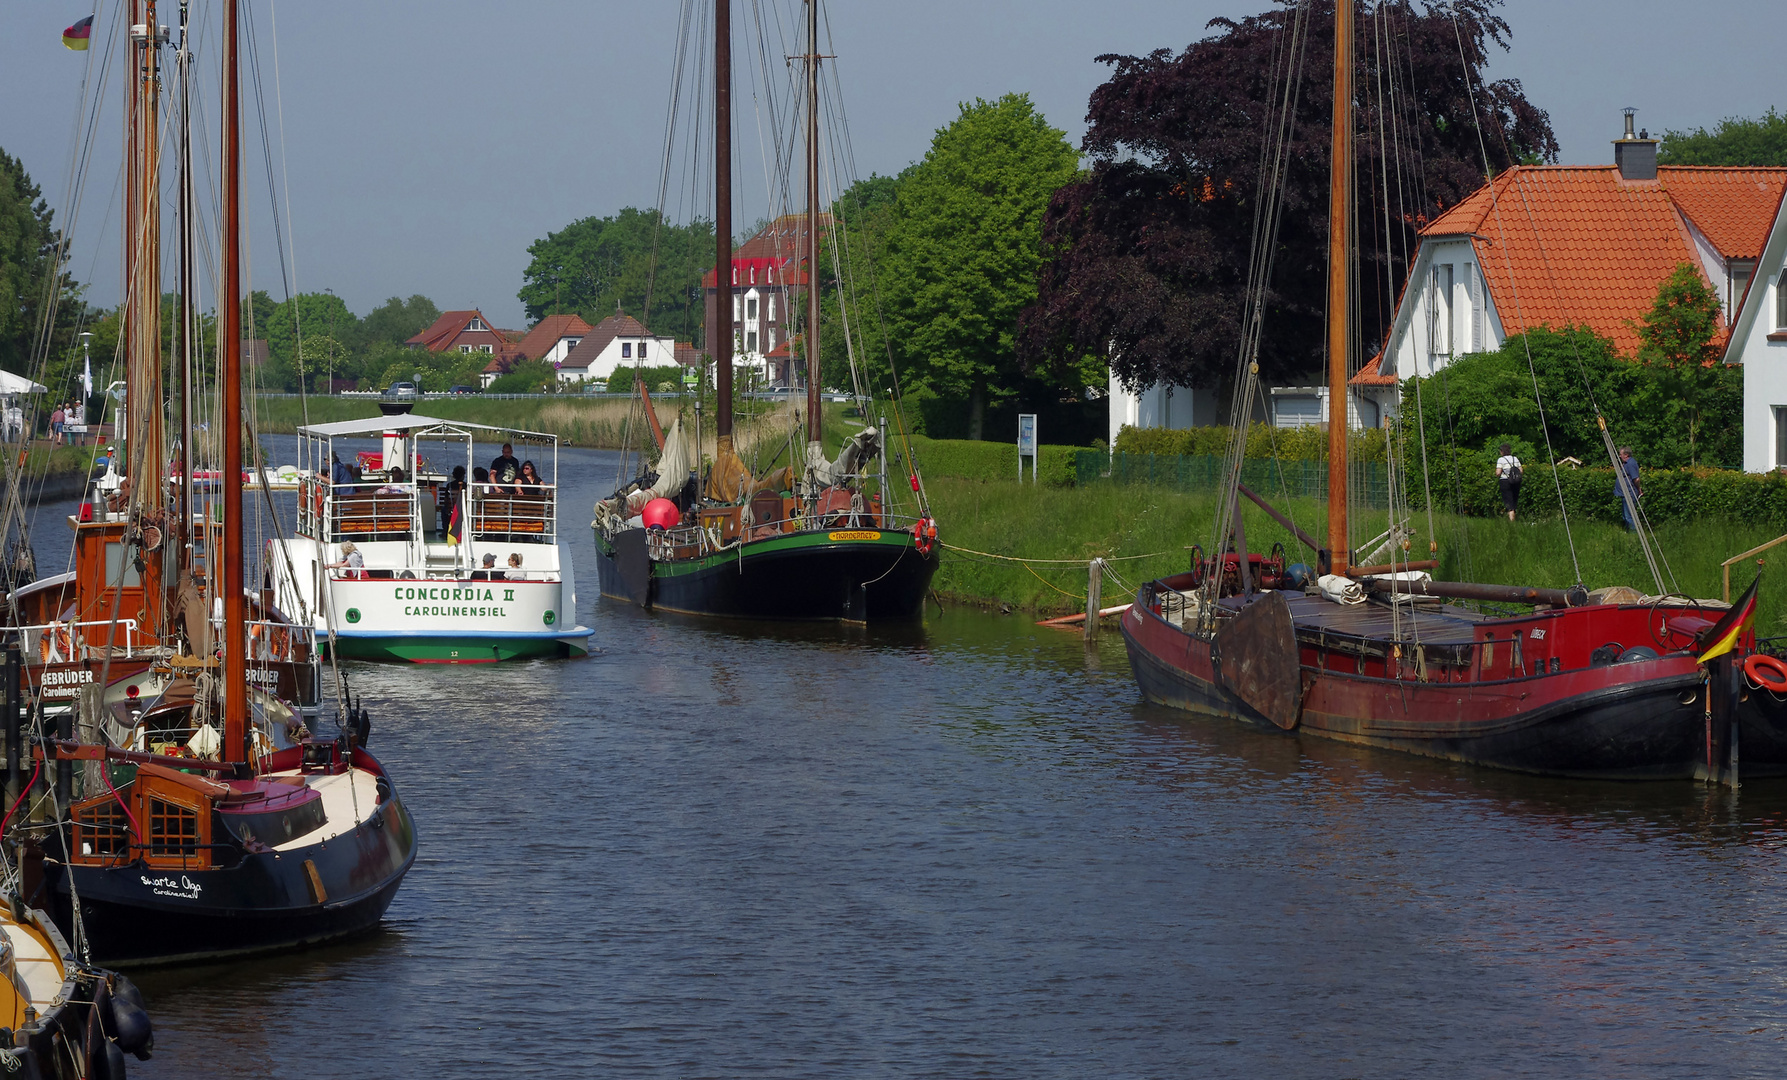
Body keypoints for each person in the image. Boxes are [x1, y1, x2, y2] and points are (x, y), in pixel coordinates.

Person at [1493, 442, 1522, 522]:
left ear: (1502, 451)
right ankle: (1513, 516)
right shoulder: (1515, 458)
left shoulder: (1501, 460)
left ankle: (1511, 521)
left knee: (1508, 500)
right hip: (1516, 481)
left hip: (1505, 481)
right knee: (1514, 499)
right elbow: (1521, 471)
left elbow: (1498, 473)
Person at [1618, 446, 1642, 531]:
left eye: (1621, 454)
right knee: (1625, 515)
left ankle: (1634, 533)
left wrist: (1639, 489)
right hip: (1625, 492)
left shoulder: (1630, 464)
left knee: (1629, 515)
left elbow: (1636, 478)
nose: (1619, 456)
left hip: (1630, 492)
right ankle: (1629, 531)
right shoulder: (1626, 464)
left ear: (1626, 455)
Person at [438, 465, 466, 536]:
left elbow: (446, 498)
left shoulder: (450, 485)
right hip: (463, 509)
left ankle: (445, 531)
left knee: (444, 510)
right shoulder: (466, 485)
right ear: (463, 475)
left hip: (452, 509)